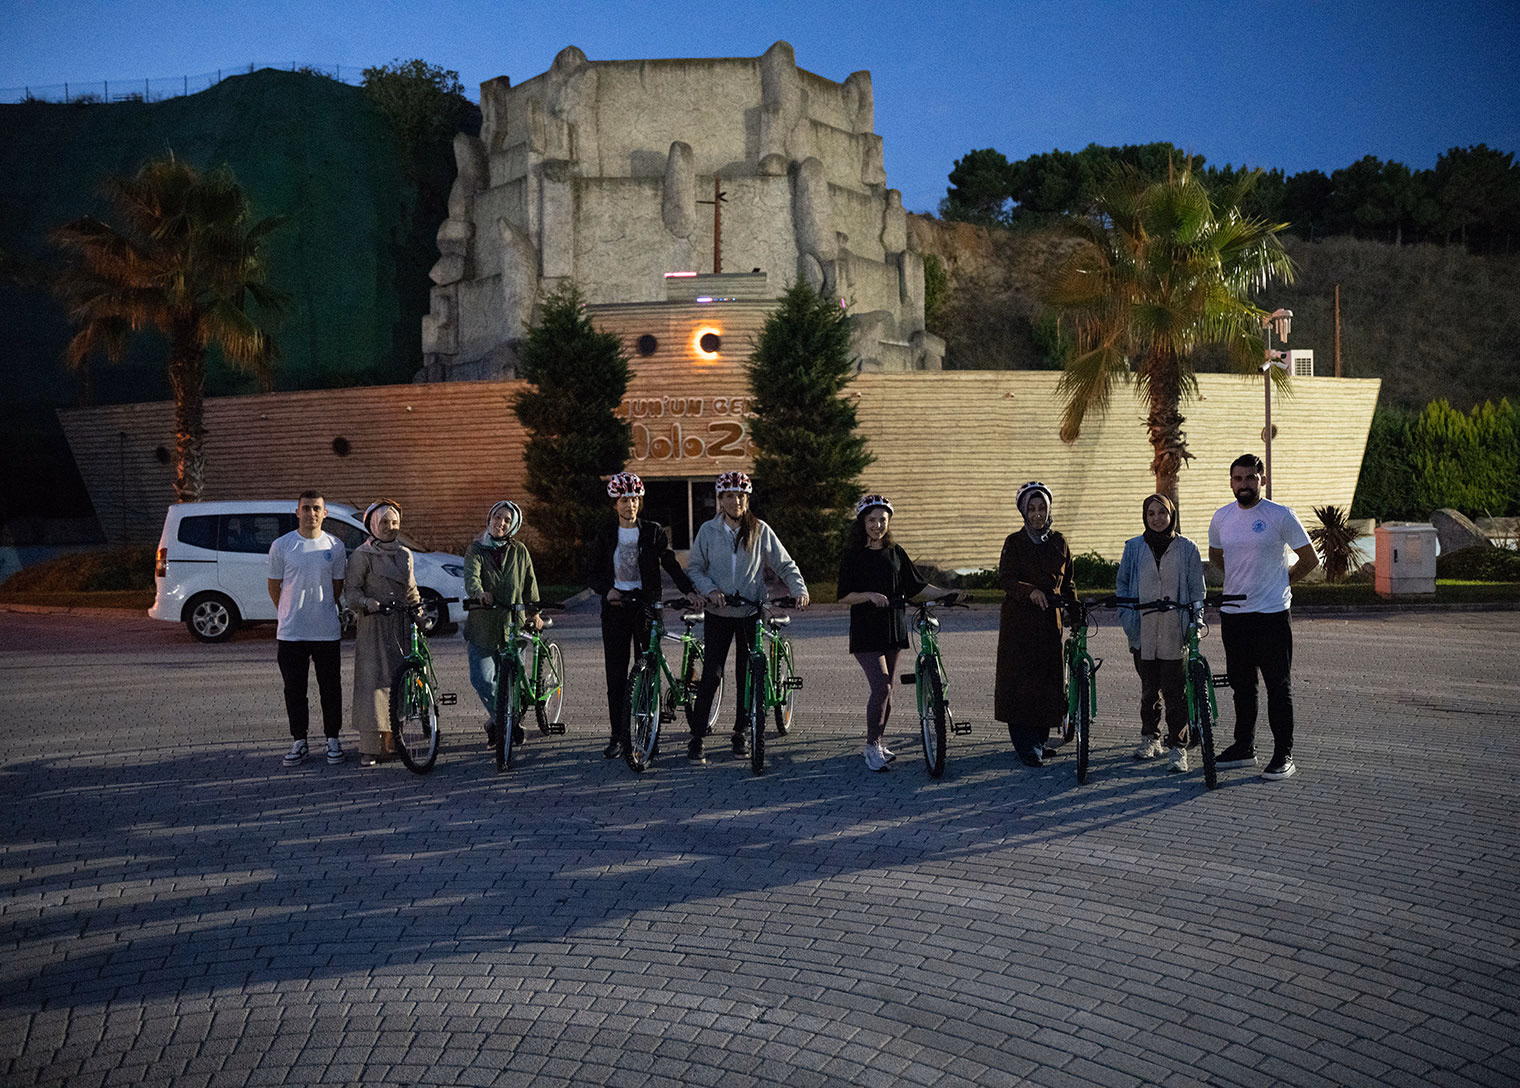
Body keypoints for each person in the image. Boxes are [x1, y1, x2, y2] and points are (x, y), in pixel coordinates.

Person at [684, 470, 809, 764]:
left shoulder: (760, 529)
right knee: (712, 676)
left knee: (748, 676)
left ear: (747, 499)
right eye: (730, 495)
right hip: (718, 612)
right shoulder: (708, 531)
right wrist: (710, 589)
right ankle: (697, 737)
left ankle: (741, 733)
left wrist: (799, 588)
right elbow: (695, 568)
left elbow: (784, 562)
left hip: (750, 611)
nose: (736, 500)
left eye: (741, 495)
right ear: (721, 500)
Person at [1208, 454, 1319, 780]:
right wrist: (1236, 579)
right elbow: (1216, 553)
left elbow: (1309, 558)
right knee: (1242, 686)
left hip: (1271, 615)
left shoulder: (1280, 515)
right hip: (1234, 615)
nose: (1244, 485)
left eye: (1250, 478)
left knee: (1277, 687)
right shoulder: (1221, 518)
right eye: (1238, 479)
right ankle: (1244, 748)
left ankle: (1284, 754)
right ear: (1231, 482)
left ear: (1262, 480)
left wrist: (1282, 582)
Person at [836, 493, 965, 772]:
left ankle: (879, 742)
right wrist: (869, 595)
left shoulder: (896, 552)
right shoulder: (854, 556)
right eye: (872, 520)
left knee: (888, 690)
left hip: (893, 626)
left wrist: (946, 594)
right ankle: (871, 747)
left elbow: (917, 586)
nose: (878, 525)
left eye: (883, 520)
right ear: (862, 522)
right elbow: (843, 596)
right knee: (880, 686)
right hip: (866, 629)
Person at [587, 471, 699, 759]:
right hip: (615, 608)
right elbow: (592, 572)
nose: (631, 505)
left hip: (647, 607)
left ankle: (650, 733)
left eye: (635, 499)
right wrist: (607, 590)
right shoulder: (605, 532)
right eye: (625, 500)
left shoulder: (652, 531)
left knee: (648, 672)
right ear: (615, 503)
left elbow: (670, 562)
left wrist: (688, 590)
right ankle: (618, 736)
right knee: (616, 675)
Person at [1116, 494, 1205, 773]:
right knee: (1148, 690)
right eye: (1151, 513)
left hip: (1173, 633)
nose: (1157, 518)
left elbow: (1196, 591)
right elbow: (1123, 587)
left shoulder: (1186, 548)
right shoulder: (1133, 548)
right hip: (1142, 631)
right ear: (1145, 516)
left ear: (1171, 515)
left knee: (1175, 693)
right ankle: (1149, 738)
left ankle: (1178, 748)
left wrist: (1195, 622)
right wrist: (1129, 620)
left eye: (1162, 513)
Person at [995, 481, 1075, 768]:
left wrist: (1075, 614)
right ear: (1023, 511)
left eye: (1042, 508)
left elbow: (1069, 583)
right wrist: (1030, 591)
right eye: (1032, 508)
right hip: (1019, 623)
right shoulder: (1014, 542)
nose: (1037, 514)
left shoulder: (1059, 542)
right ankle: (1026, 745)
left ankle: (1040, 740)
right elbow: (1006, 579)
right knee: (1021, 683)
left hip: (1049, 624)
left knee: (1046, 682)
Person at [267, 489, 347, 766]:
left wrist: (321, 608)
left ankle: (332, 739)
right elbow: (274, 586)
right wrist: (289, 612)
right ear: (297, 511)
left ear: (325, 513)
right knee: (294, 688)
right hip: (291, 633)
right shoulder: (282, 546)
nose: (311, 513)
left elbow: (337, 587)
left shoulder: (335, 546)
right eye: (306, 508)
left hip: (326, 631)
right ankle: (299, 740)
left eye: (316, 508)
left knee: (330, 688)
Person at [343, 499, 421, 767]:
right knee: (372, 685)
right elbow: (350, 592)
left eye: (394, 522)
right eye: (384, 522)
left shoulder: (405, 554)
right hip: (374, 626)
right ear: (372, 525)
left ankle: (393, 741)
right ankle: (369, 747)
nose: (390, 527)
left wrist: (418, 615)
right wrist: (366, 603)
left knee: (398, 683)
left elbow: (411, 590)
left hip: (400, 625)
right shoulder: (361, 556)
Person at [463, 500, 541, 748]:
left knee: (513, 684)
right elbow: (471, 577)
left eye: (507, 520)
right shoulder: (476, 549)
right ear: (490, 518)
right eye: (497, 517)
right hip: (482, 624)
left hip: (513, 624)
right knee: (483, 679)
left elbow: (530, 582)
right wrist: (479, 593)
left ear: (513, 525)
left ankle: (499, 725)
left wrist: (534, 612)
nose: (501, 523)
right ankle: (505, 723)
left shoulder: (519, 550)